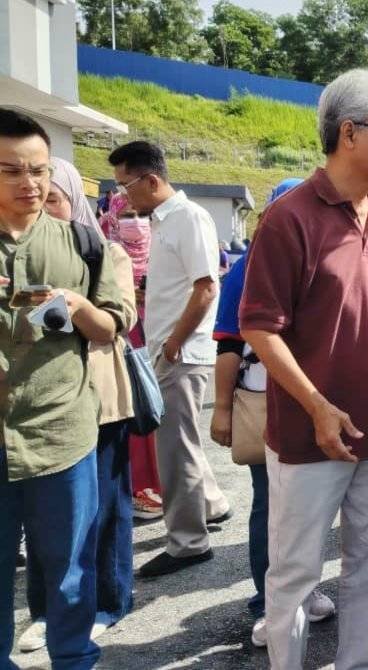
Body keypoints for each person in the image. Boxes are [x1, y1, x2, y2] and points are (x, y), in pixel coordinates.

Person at [240, 68, 368, 670]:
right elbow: (259, 325)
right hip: (312, 433)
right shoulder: (289, 218)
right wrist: (316, 404)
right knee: (294, 573)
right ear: (348, 132)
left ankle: (357, 661)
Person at [0, 107, 126, 670]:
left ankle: (74, 659)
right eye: (11, 171)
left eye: (39, 170)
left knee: (70, 568)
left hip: (62, 433)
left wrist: (76, 306)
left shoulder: (81, 242)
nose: (30, 184)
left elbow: (112, 328)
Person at [18, 158, 139, 653]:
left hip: (101, 398)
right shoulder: (18, 256)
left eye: (52, 196)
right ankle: (47, 612)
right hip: (35, 406)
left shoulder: (101, 251)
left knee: (104, 508)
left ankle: (108, 602)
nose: (43, 207)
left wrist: (75, 305)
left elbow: (120, 321)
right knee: (44, 519)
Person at [210, 177, 336, 649]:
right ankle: (267, 602)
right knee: (272, 507)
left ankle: (306, 589)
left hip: (319, 403)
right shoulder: (247, 268)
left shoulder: (321, 258)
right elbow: (228, 343)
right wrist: (222, 409)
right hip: (267, 404)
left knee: (313, 508)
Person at [109, 141, 231, 578]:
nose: (124, 196)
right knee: (181, 442)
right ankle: (212, 505)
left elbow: (205, 287)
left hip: (183, 351)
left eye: (126, 186)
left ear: (152, 179)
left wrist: (175, 343)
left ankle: (188, 543)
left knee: (174, 450)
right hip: (169, 347)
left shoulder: (189, 218)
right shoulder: (164, 222)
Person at [101, 194, 163, 521]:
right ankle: (139, 488)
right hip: (128, 338)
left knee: (159, 413)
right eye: (126, 215)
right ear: (112, 217)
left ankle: (161, 487)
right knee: (135, 409)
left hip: (162, 336)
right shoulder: (104, 251)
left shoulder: (160, 248)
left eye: (141, 214)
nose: (135, 222)